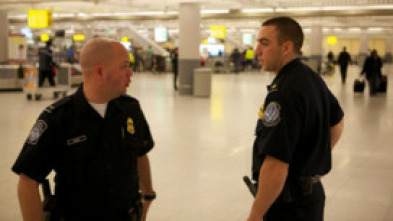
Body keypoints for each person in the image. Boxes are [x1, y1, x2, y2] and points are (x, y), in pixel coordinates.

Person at [12, 38, 156, 221]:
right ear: (100, 72)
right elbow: (27, 182)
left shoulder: (130, 109)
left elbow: (140, 154)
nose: (131, 73)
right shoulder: (58, 119)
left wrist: (148, 195)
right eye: (124, 66)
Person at [247, 17, 344, 221]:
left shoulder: (283, 93)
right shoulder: (310, 77)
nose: (257, 51)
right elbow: (337, 121)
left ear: (286, 47)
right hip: (311, 197)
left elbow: (276, 164)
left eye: (264, 43)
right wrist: (312, 165)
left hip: (288, 206)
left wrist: (255, 214)